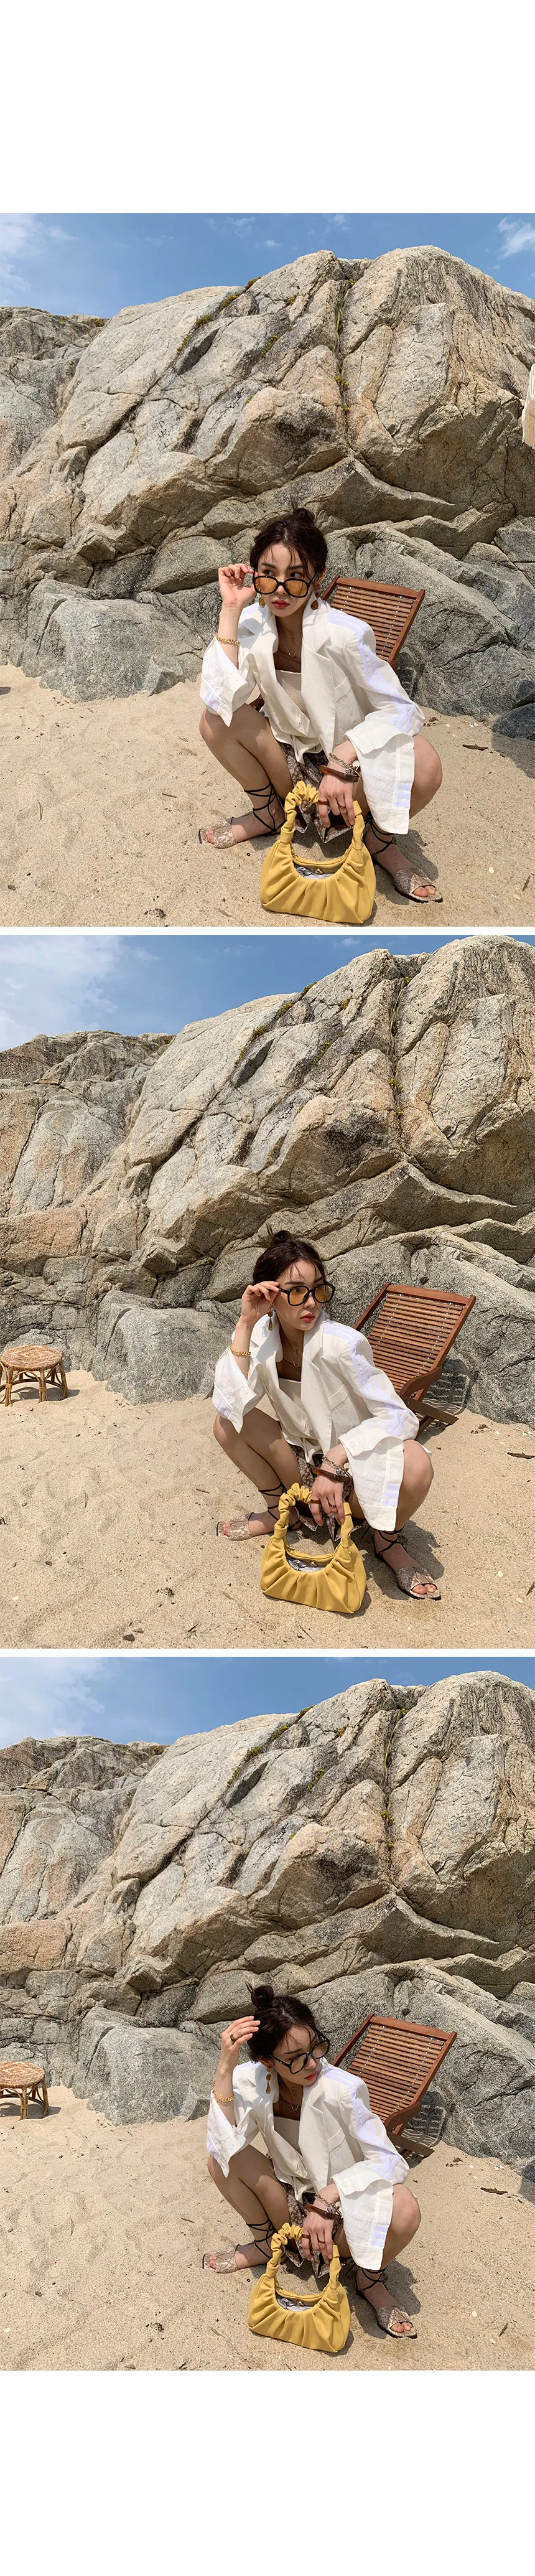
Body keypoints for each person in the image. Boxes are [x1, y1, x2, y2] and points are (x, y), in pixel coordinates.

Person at [198, 503, 442, 903]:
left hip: (347, 775)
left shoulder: (346, 634)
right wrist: (230, 608)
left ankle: (379, 843)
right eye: (268, 575)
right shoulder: (252, 624)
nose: (280, 590)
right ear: (254, 574)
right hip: (289, 762)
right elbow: (218, 697)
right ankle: (268, 813)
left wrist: (344, 758)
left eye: (296, 577)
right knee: (214, 720)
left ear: (318, 577)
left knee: (426, 760)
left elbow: (402, 710)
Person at [212, 1230, 440, 1600]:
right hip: (301, 1466)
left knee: (417, 1461)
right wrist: (245, 1324)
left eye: (318, 1289)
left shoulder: (342, 1344)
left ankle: (387, 1541)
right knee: (227, 1425)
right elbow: (229, 1403)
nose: (311, 1302)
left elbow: (401, 1418)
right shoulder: (261, 1338)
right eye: (296, 1291)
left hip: (352, 1471)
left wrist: (336, 1459)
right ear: (269, 1294)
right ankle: (279, 1513)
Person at [204, 1985, 421, 2338]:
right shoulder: (253, 2080)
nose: (312, 2063)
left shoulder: (343, 2088)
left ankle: (369, 2279)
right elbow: (222, 2139)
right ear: (267, 2062)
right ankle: (266, 2243)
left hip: (340, 2215)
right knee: (221, 2159)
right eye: (295, 2057)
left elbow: (389, 2160)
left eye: (315, 2047)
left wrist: (329, 2197)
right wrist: (225, 2067)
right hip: (289, 2205)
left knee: (406, 2207)